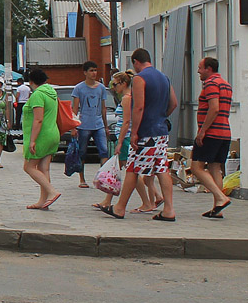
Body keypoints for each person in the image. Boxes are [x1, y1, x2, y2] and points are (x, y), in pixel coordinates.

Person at [101, 48, 178, 221]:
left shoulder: (140, 78)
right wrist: (161, 116)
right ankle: (169, 209)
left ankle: (120, 208)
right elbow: (174, 103)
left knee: (133, 168)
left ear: (136, 62)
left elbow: (139, 107)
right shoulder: (164, 78)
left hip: (146, 132)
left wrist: (134, 132)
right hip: (161, 131)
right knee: (161, 168)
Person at [192, 57, 234, 219]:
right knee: (215, 168)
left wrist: (202, 131)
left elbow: (214, 108)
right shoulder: (226, 84)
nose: (198, 71)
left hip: (211, 133)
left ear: (208, 69)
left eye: (200, 68)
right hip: (224, 132)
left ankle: (221, 198)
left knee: (196, 167)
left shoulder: (210, 84)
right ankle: (218, 207)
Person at [22, 68, 62, 209]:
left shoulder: (38, 95)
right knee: (44, 168)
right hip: (53, 133)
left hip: (42, 135)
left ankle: (52, 192)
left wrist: (32, 140)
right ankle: (43, 202)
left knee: (29, 167)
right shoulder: (52, 92)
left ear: (31, 82)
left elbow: (38, 119)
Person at [70, 60, 110, 189]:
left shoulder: (101, 88)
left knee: (104, 151)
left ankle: (102, 178)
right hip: (84, 125)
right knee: (82, 152)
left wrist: (106, 126)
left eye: (95, 70)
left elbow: (103, 108)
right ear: (85, 72)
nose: (94, 73)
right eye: (91, 70)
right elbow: (75, 108)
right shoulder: (79, 88)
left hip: (98, 124)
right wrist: (73, 126)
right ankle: (82, 179)